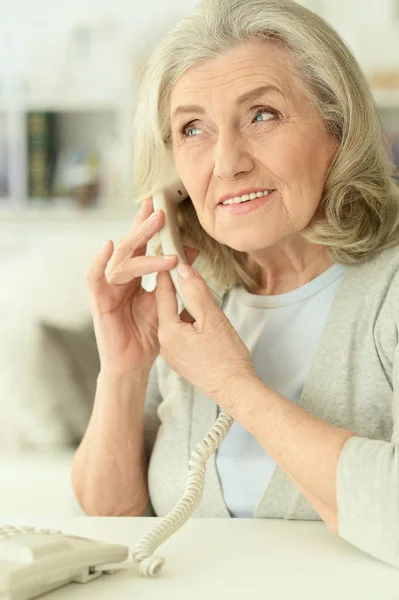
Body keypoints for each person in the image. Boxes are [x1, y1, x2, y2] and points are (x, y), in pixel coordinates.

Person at [71, 0, 399, 569]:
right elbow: (110, 514)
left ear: (338, 129)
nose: (226, 163)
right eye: (192, 128)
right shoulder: (194, 303)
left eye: (262, 115)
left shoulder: (387, 291)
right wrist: (123, 369)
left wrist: (233, 384)